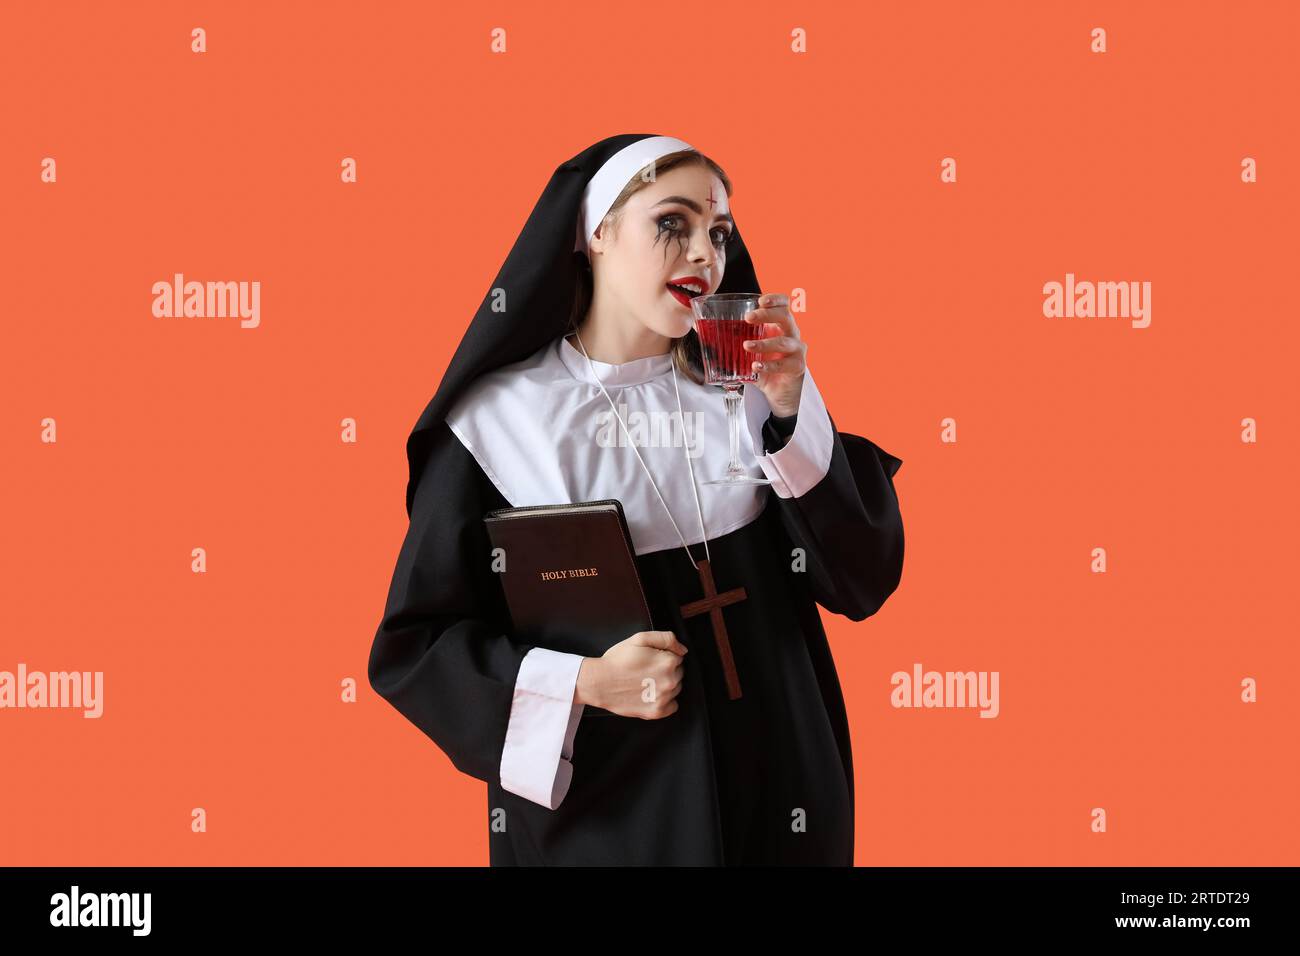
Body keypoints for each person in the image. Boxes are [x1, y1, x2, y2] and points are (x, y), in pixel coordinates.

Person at [367, 133, 905, 865]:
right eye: (671, 223)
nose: (705, 255)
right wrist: (584, 681)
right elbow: (416, 650)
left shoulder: (750, 391)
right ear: (596, 233)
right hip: (614, 815)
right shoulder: (501, 423)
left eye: (718, 232)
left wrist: (791, 414)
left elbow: (862, 581)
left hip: (785, 784)